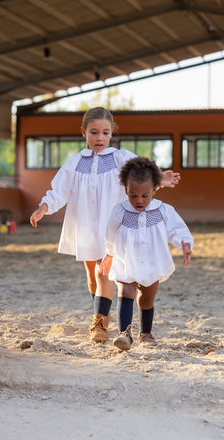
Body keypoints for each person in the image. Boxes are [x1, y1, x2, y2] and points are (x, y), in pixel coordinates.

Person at [29, 107, 180, 343]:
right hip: (86, 226)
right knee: (93, 275)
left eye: (105, 132)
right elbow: (59, 190)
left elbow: (141, 174)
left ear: (112, 134)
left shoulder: (120, 158)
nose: (100, 137)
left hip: (114, 226)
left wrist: (160, 178)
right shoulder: (75, 162)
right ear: (83, 132)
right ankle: (101, 316)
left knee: (104, 272)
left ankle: (99, 323)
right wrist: (43, 208)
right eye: (94, 132)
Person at [99, 156, 193, 351]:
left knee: (146, 299)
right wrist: (109, 254)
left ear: (155, 189)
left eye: (145, 195)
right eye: (133, 195)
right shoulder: (120, 210)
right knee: (126, 291)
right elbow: (110, 234)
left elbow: (177, 230)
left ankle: (146, 332)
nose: (139, 200)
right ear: (126, 190)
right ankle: (124, 333)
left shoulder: (163, 210)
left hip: (153, 261)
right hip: (126, 260)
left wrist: (184, 245)